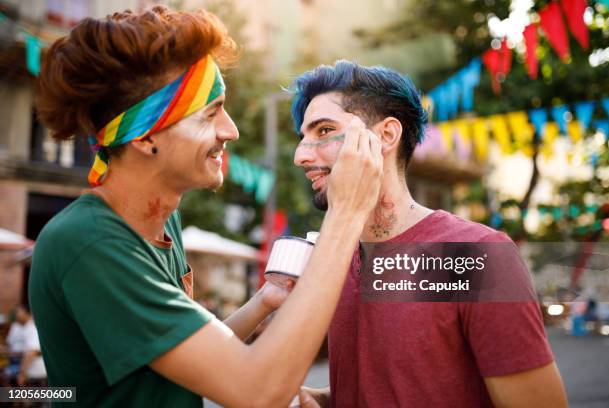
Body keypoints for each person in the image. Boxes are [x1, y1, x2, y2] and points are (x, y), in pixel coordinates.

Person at [29, 7, 383, 407]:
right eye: (211, 112)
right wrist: (345, 215)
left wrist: (266, 300)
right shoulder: (89, 243)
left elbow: (191, 359)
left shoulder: (163, 220)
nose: (229, 130)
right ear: (146, 137)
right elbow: (256, 391)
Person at [290, 61, 568, 407]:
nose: (301, 155)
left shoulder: (474, 255)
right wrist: (328, 400)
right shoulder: (333, 261)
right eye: (303, 138)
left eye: (324, 131)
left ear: (386, 136)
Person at [3, 305, 47, 387]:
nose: (16, 314)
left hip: (33, 370)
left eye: (18, 312)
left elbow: (32, 352)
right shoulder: (18, 326)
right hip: (21, 365)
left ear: (28, 314)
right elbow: (10, 345)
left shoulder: (33, 328)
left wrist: (22, 373)